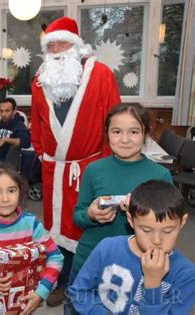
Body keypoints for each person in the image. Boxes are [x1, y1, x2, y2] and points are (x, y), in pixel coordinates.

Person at [30, 16, 121, 305]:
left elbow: (114, 122)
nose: (56, 48)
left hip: (90, 167)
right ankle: (60, 277)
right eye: (50, 44)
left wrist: (107, 166)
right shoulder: (40, 80)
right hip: (54, 170)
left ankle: (87, 281)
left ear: (76, 46)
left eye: (62, 43)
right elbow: (37, 122)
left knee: (88, 226)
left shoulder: (102, 75)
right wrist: (46, 154)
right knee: (56, 229)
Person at [66, 103, 172, 314]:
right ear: (107, 134)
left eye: (133, 132)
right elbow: (77, 217)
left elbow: (166, 228)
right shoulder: (94, 170)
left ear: (145, 134)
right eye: (117, 132)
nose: (125, 139)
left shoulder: (160, 175)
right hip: (88, 262)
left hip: (135, 268)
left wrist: (139, 215)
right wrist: (90, 215)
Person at [68, 180, 195, 314]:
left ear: (182, 222)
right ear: (130, 220)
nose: (157, 240)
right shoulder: (107, 248)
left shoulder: (187, 274)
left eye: (168, 231)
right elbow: (78, 292)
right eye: (146, 230)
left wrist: (153, 285)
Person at [0, 163, 64, 314]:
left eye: (11, 190)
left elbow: (55, 257)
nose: (5, 199)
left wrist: (41, 292)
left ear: (20, 192)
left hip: (25, 304)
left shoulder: (31, 224)